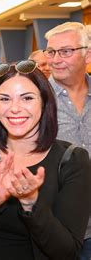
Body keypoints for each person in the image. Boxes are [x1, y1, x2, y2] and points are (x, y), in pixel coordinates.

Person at [0, 60, 90, 259]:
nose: (14, 108)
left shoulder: (72, 160)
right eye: (5, 99)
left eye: (27, 98)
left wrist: (31, 204)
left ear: (44, 102)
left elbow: (66, 250)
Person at [44, 22, 91, 260]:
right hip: (53, 225)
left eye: (65, 51)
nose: (55, 59)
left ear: (88, 54)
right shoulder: (36, 99)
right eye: (51, 52)